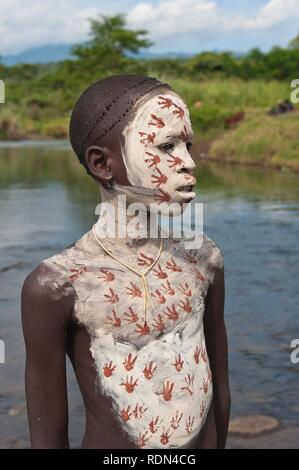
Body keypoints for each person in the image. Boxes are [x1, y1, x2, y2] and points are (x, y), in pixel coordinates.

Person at [21, 74, 230, 449]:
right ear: (102, 164)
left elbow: (221, 392)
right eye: (167, 146)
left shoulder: (203, 261)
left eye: (188, 144)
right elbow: (48, 433)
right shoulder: (60, 285)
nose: (188, 162)